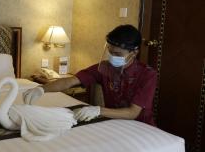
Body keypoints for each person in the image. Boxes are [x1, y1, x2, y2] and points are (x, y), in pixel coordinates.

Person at [24, 24, 157, 126]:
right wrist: (42, 89)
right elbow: (70, 81)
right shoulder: (104, 67)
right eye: (110, 52)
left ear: (134, 53)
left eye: (118, 54)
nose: (112, 57)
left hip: (141, 125)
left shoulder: (147, 75)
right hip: (113, 122)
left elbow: (133, 113)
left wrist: (99, 110)